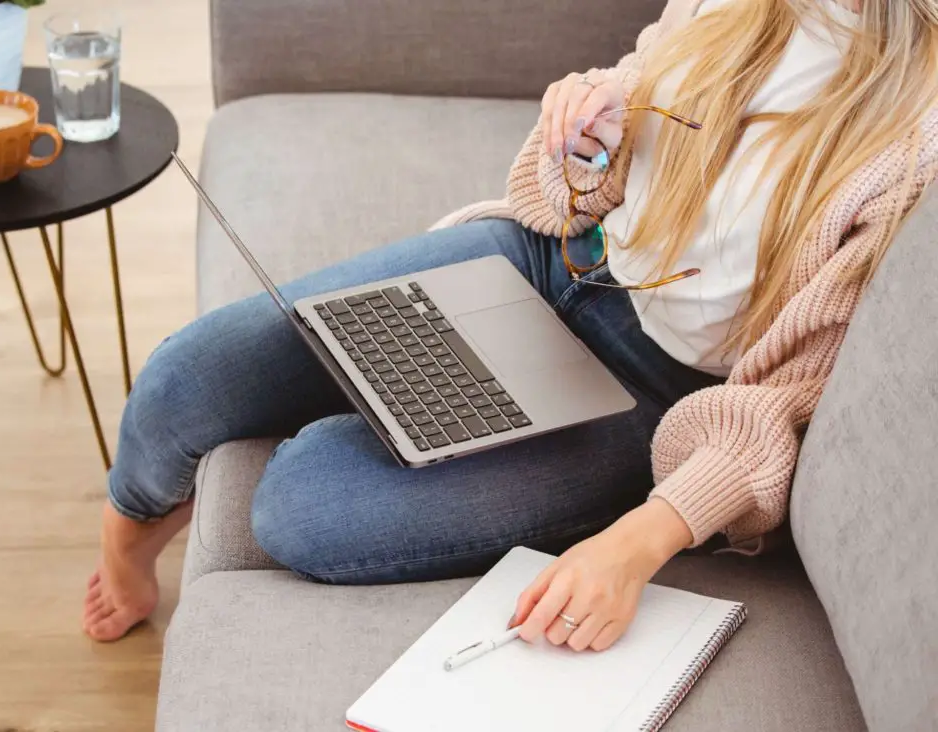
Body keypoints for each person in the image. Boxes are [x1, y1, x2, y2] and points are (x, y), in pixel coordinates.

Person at [82, 0, 938, 645]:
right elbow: (594, 174)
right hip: (547, 260)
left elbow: (787, 401)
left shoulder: (914, 137)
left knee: (303, 508)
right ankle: (134, 537)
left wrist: (637, 545)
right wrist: (584, 147)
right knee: (182, 381)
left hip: (654, 394)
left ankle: (408, 408)